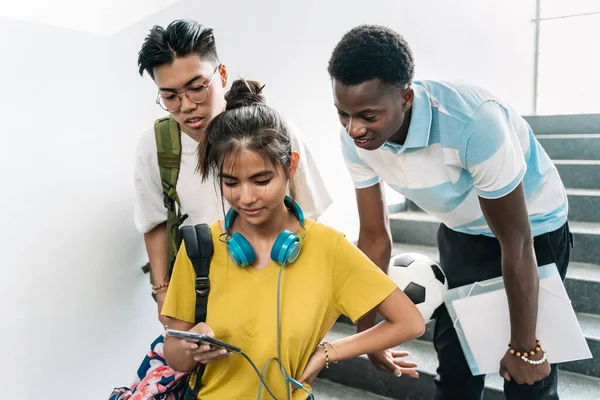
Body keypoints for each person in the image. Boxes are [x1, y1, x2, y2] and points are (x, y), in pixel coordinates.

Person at [327, 25, 572, 400]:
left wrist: (526, 348)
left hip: (534, 232)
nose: (354, 128)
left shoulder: (473, 123)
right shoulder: (355, 139)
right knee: (456, 367)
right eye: (343, 113)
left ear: (406, 98)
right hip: (464, 233)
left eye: (368, 115)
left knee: (528, 380)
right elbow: (375, 239)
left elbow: (517, 242)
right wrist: (369, 335)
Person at [161, 78, 426, 400]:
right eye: (230, 183)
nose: (246, 198)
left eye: (261, 181)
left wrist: (329, 351)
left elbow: (409, 322)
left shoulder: (329, 248)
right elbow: (173, 355)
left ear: (291, 166)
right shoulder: (200, 248)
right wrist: (191, 348)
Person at [134, 19, 332, 326]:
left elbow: (311, 217)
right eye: (170, 96)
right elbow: (154, 222)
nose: (186, 106)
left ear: (221, 75)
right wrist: (163, 292)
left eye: (197, 88)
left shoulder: (275, 132)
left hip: (277, 288)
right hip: (205, 298)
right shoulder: (155, 147)